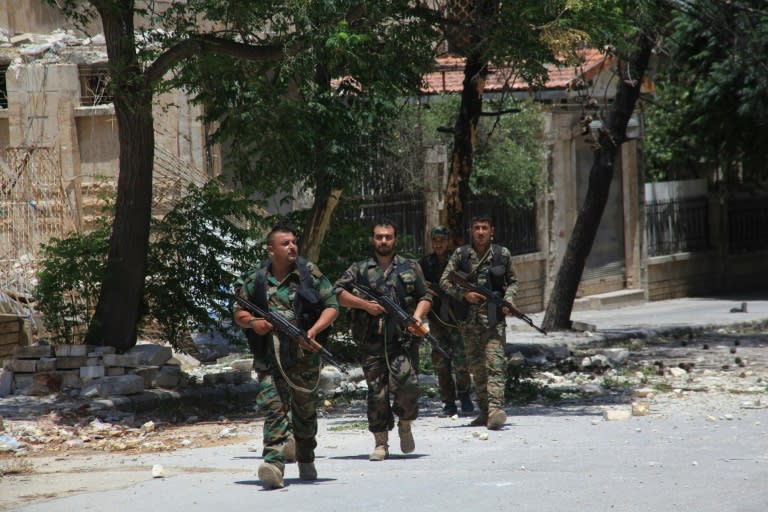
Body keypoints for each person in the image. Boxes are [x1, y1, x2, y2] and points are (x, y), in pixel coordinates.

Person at [233, 222, 339, 489]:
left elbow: (332, 306)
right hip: (270, 359)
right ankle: (273, 465)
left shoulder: (309, 274)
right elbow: (238, 311)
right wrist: (253, 323)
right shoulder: (255, 279)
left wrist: (313, 331)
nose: (292, 246)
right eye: (285, 243)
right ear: (271, 249)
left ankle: (305, 457)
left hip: (304, 358)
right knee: (274, 410)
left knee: (304, 412)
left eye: (294, 242)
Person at [334, 220, 432, 461]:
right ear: (373, 240)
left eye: (388, 236)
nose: (384, 241)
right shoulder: (359, 269)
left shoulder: (410, 267)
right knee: (377, 393)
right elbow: (337, 293)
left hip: (403, 340)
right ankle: (381, 442)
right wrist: (365, 306)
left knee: (407, 386)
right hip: (371, 341)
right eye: (379, 237)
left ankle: (405, 424)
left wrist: (417, 318)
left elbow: (426, 295)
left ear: (395, 239)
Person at [439, 214, 518, 430]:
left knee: (495, 364)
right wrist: (464, 295)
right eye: (477, 228)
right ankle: (484, 411)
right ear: (471, 231)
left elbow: (513, 282)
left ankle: (495, 409)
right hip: (468, 321)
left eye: (484, 228)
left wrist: (508, 301)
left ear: (492, 230)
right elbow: (444, 281)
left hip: (493, 320)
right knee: (477, 368)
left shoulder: (502, 255)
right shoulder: (461, 254)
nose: (481, 232)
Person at [419, 225, 474, 417]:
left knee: (461, 362)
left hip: (457, 318)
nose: (438, 244)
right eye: (435, 240)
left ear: (448, 241)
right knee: (441, 363)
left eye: (442, 240)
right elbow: (420, 285)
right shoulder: (426, 263)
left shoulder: (456, 261)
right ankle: (448, 402)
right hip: (436, 319)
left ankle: (465, 395)